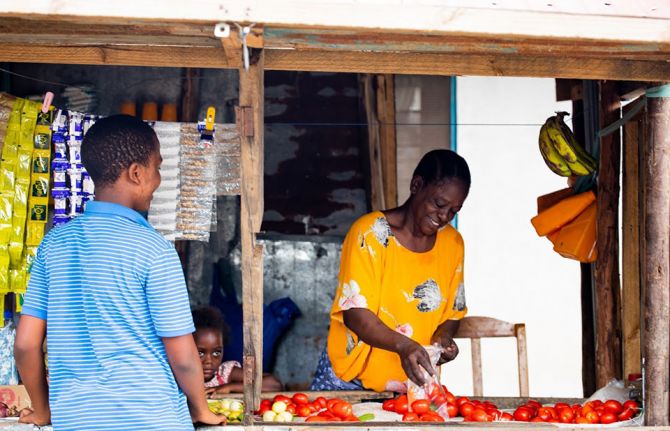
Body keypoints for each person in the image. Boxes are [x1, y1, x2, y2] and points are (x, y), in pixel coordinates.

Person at [14, 115, 225, 430]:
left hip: (77, 421)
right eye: (157, 168)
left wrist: (42, 410)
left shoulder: (53, 245)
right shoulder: (155, 250)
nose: (158, 180)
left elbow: (26, 344)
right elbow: (182, 356)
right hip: (151, 418)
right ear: (137, 173)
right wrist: (201, 410)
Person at [311, 149, 471, 393]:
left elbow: (453, 312)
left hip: (410, 385)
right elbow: (356, 315)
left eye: (454, 210)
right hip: (350, 382)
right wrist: (404, 346)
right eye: (439, 204)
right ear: (417, 185)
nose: (444, 216)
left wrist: (443, 337)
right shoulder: (370, 233)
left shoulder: (453, 244)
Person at [192, 306, 283, 395]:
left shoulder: (225, 373)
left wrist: (230, 387)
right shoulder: (179, 378)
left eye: (216, 352)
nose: (209, 361)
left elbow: (274, 384)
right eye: (200, 353)